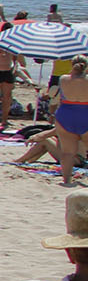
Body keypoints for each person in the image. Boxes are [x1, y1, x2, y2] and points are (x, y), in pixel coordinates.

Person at [50, 57, 88, 187]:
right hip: (85, 113)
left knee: (67, 152)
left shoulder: (63, 79)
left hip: (66, 114)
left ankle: (67, 181)